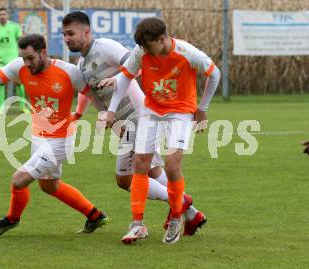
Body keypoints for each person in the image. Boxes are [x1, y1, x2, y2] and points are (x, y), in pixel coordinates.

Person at [0, 34, 109, 236]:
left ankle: (11, 219)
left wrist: (103, 113)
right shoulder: (20, 67)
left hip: (60, 141)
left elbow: (90, 94)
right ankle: (95, 215)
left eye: (31, 58)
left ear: (43, 53)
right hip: (38, 137)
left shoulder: (68, 72)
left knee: (19, 180)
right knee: (49, 186)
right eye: (24, 58)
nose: (27, 63)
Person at [61, 11, 206, 239]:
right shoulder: (82, 63)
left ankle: (175, 204)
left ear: (86, 31)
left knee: (125, 179)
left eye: (71, 33)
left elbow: (137, 64)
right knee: (152, 170)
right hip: (124, 124)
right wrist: (79, 114)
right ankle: (191, 213)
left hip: (137, 118)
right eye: (64, 35)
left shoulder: (105, 47)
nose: (67, 38)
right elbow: (89, 93)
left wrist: (119, 77)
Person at [99, 17, 220, 244]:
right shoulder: (142, 51)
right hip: (151, 110)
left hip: (180, 111)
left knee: (172, 165)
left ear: (162, 39)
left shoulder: (188, 53)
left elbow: (215, 74)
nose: (143, 51)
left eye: (147, 46)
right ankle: (137, 225)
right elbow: (125, 77)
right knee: (140, 163)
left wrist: (202, 109)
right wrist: (111, 111)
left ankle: (176, 217)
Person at [0, 7, 28, 115]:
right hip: (0, 61)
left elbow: (21, 41)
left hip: (14, 61)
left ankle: (22, 107)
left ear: (7, 16)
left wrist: (26, 53)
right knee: (0, 85)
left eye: (4, 14)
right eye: (0, 14)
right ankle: (1, 109)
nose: (2, 16)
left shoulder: (14, 27)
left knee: (19, 84)